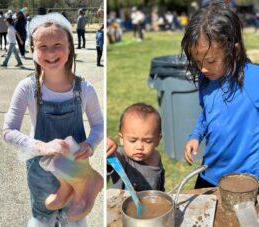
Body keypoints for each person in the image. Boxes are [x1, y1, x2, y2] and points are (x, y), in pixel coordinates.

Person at [3, 13, 104, 226]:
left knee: (74, 216)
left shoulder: (84, 89)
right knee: (42, 216)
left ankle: (89, 183)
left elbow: (99, 125)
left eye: (57, 44)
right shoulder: (27, 88)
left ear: (70, 48)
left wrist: (90, 144)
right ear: (33, 51)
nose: (50, 52)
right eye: (42, 46)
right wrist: (40, 146)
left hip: (75, 172)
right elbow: (8, 131)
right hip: (40, 171)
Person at [181, 2, 259, 189]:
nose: (203, 68)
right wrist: (195, 136)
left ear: (234, 50)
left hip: (247, 178)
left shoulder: (254, 79)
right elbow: (207, 114)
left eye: (211, 61)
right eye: (198, 62)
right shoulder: (205, 79)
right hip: (211, 173)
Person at [106, 103, 165, 191]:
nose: (140, 147)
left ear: (157, 140)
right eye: (133, 141)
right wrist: (109, 149)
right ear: (122, 139)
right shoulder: (121, 157)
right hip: (120, 203)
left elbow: (159, 186)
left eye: (148, 141)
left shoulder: (156, 156)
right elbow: (111, 160)